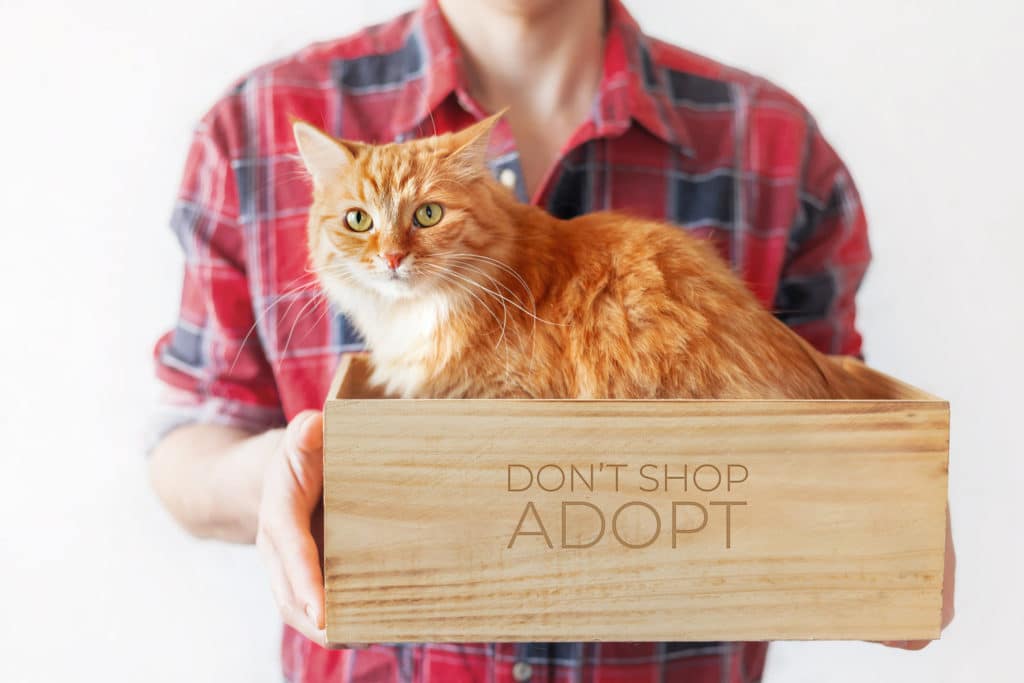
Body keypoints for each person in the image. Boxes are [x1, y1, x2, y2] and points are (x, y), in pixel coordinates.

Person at [148, 0, 956, 680]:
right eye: (361, 223)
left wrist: (891, 506)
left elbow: (823, 403)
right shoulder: (250, 125)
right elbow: (188, 436)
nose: (392, 249)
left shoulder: (776, 140)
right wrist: (285, 474)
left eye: (424, 216)